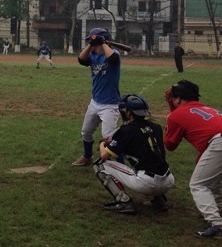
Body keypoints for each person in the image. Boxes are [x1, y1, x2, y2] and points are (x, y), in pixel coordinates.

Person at [164, 80, 222, 240]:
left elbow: (170, 145)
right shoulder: (204, 107)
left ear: (178, 99)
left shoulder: (177, 114)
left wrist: (169, 116)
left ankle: (216, 225)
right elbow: (181, 116)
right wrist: (173, 108)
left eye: (173, 97)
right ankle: (216, 212)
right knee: (214, 177)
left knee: (198, 184)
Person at [94, 94, 175, 214]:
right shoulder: (156, 127)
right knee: (146, 157)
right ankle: (158, 199)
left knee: (99, 165)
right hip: (168, 180)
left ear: (128, 112)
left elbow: (104, 156)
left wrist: (102, 144)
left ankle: (124, 201)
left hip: (147, 182)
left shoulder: (127, 130)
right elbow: (138, 137)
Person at [72, 28, 121, 166]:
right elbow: (81, 59)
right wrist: (91, 43)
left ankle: (120, 164)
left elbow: (112, 58)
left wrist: (103, 42)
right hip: (95, 102)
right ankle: (87, 157)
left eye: (94, 42)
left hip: (110, 104)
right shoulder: (92, 57)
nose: (92, 44)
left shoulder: (113, 55)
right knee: (86, 132)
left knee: (109, 138)